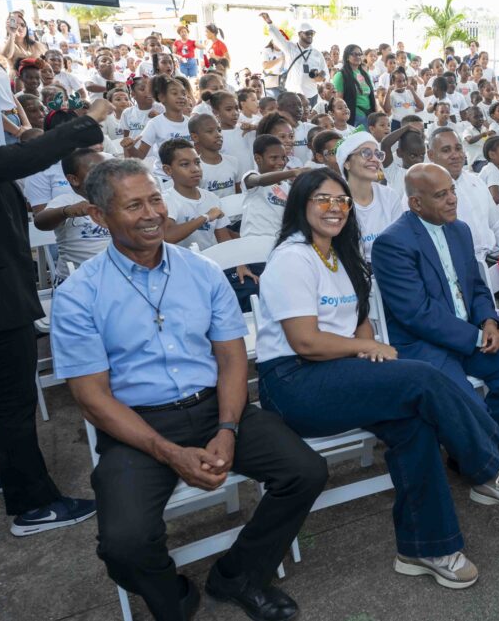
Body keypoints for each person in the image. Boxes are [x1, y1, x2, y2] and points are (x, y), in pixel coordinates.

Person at [50, 158, 325, 620]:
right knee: (124, 544)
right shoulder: (80, 294)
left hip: (215, 406)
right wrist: (168, 451)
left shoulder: (200, 271)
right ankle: (172, 596)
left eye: (155, 199)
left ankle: (239, 573)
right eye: (133, 205)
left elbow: (232, 358)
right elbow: (92, 398)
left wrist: (227, 428)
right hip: (137, 424)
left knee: (305, 471)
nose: (152, 213)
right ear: (99, 216)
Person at [257, 167, 499, 591]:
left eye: (341, 201)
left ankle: (426, 547)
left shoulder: (341, 256)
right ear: (301, 206)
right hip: (294, 383)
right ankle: (491, 467)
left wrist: (368, 345)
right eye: (322, 199)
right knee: (422, 378)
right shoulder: (292, 257)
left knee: (415, 426)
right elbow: (305, 342)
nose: (334, 208)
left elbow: (358, 325)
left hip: (341, 371)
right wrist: (370, 350)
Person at [371, 164, 499, 486]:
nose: (453, 199)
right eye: (441, 195)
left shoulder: (460, 230)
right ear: (416, 204)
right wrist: (477, 336)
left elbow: (477, 287)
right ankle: (494, 463)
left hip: (470, 331)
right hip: (423, 343)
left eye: (452, 189)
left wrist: (489, 321)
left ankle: (470, 452)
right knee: (465, 400)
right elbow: (417, 314)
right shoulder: (392, 243)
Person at [0, 101, 111, 536]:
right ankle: (33, 505)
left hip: (2, 300)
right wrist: (90, 116)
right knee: (12, 406)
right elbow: (30, 157)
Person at [426, 127, 499, 262]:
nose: (455, 155)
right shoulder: (424, 192)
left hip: (495, 258)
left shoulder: (476, 182)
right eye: (446, 150)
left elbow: (497, 225)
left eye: (458, 148)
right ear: (431, 155)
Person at [32, 148, 111, 284]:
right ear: (74, 179)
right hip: (75, 280)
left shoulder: (114, 200)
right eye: (96, 171)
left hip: (112, 277)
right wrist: (66, 211)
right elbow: (40, 221)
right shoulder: (67, 200)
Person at [336, 131, 404, 261]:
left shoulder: (389, 196)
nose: (374, 159)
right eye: (366, 153)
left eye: (378, 154)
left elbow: (399, 243)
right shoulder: (337, 202)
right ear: (347, 163)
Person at [160, 138, 233, 250]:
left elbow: (224, 239)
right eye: (185, 164)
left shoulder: (212, 198)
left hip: (213, 261)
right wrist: (205, 217)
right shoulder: (167, 200)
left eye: (197, 162)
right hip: (183, 264)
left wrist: (240, 266)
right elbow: (167, 236)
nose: (195, 169)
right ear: (168, 170)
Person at [259, 14, 326, 107]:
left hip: (311, 96)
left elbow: (324, 73)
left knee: (309, 120)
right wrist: (269, 23)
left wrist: (320, 77)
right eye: (307, 33)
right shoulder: (290, 48)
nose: (310, 35)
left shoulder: (317, 54)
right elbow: (278, 38)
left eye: (312, 33)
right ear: (299, 34)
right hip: (293, 95)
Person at [332, 44, 377, 128]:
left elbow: (371, 95)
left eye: (360, 54)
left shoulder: (364, 73)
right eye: (354, 54)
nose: (358, 56)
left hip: (369, 114)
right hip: (354, 116)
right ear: (347, 57)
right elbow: (339, 101)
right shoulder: (340, 75)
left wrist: (376, 113)